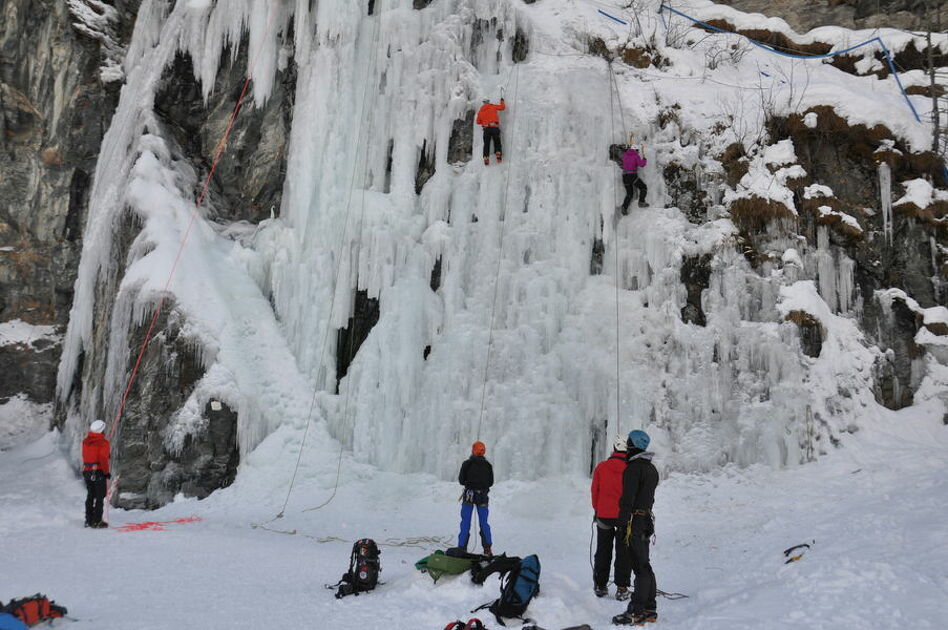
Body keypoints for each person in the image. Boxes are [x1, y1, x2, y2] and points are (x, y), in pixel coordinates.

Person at [612, 430, 659, 626]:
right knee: (645, 564)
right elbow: (649, 498)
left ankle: (636, 611)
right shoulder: (651, 469)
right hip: (646, 519)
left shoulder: (632, 469)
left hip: (634, 521)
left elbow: (627, 499)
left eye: (629, 443)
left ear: (633, 445)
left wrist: (622, 524)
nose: (627, 446)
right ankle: (650, 608)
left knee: (639, 567)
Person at [591, 435, 632, 600]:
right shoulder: (630, 468)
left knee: (602, 550)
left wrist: (597, 508)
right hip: (624, 517)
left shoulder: (601, 467)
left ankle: (600, 586)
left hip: (604, 515)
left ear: (614, 449)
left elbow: (595, 491)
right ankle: (622, 588)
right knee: (624, 552)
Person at [458, 441, 494, 555]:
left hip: (469, 495)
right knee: (484, 523)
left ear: (473, 450)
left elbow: (461, 480)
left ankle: (462, 548)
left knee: (465, 522)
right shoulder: (488, 465)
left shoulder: (467, 464)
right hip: (482, 496)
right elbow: (490, 482)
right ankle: (487, 548)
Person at [82, 419, 111, 528]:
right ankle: (97, 521)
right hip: (98, 472)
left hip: (87, 471)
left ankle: (88, 520)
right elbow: (103, 459)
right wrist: (106, 472)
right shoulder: (103, 443)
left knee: (90, 495)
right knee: (100, 496)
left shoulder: (85, 441)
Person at [476, 97, 506, 166]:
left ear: (483, 103)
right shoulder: (492, 106)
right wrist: (502, 101)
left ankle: (486, 157)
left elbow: (477, 122)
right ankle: (498, 153)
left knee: (486, 144)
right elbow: (502, 107)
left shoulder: (480, 112)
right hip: (494, 127)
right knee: (497, 141)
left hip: (486, 129)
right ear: (488, 102)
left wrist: (484, 121)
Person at [620, 145, 648, 214]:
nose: (638, 152)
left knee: (629, 194)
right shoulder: (636, 156)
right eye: (637, 151)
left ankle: (624, 207)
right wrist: (644, 159)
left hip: (625, 176)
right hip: (632, 176)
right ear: (635, 150)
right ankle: (641, 202)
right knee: (643, 187)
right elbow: (641, 164)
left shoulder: (625, 156)